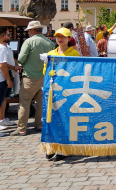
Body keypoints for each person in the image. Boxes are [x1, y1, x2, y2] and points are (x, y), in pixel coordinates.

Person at [42, 27, 80, 161]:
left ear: (69, 38)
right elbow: (45, 72)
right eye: (58, 36)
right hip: (54, 92)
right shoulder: (51, 53)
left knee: (66, 119)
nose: (60, 39)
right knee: (51, 119)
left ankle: (64, 148)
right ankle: (51, 146)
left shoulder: (74, 53)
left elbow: (77, 72)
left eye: (63, 36)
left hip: (67, 92)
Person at [12, 21, 55, 136]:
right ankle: (39, 124)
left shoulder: (29, 41)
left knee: (25, 102)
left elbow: (21, 58)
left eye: (28, 31)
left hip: (30, 77)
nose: (28, 33)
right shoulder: (49, 42)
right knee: (41, 103)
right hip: (44, 77)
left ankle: (22, 128)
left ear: (32, 30)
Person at [0, 32, 20, 131]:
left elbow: (11, 58)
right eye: (9, 35)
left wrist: (16, 64)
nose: (10, 36)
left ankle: (1, 119)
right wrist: (14, 67)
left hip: (10, 72)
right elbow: (2, 64)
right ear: (3, 36)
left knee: (5, 98)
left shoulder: (7, 46)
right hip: (3, 73)